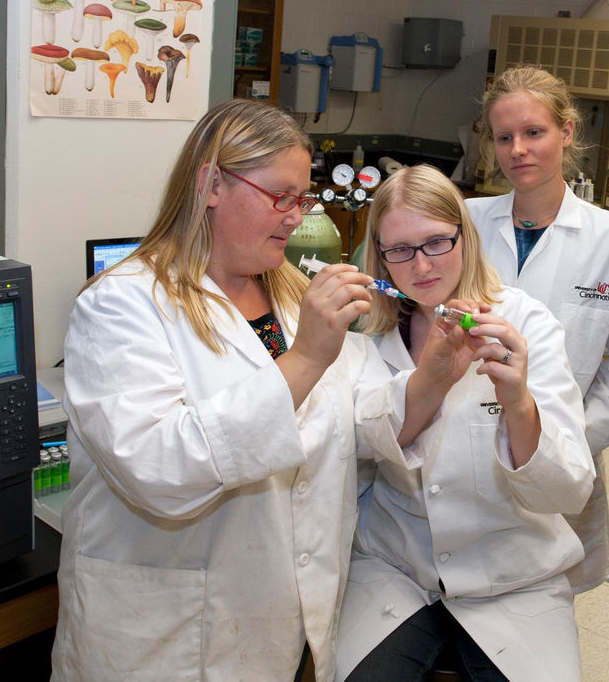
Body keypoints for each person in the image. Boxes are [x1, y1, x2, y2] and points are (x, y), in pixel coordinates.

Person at [49, 100, 384, 682]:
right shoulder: (121, 304)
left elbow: (363, 414)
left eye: (303, 199)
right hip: (162, 641)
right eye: (280, 196)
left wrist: (438, 366)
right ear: (211, 185)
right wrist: (306, 358)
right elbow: (157, 468)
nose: (295, 217)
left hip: (277, 625)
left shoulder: (289, 294)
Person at [336, 164, 594, 682]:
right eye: (399, 250)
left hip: (514, 579)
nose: (421, 265)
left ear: (464, 238)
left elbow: (568, 491)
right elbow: (359, 446)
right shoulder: (364, 339)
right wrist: (428, 383)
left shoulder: (526, 325)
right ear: (379, 256)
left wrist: (518, 402)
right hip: (396, 573)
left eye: (436, 242)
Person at [467, 65, 609, 594]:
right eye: (504, 137)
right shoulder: (465, 223)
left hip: (566, 451)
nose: (518, 150)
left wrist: (568, 441)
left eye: (534, 132)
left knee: (546, 597)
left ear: (567, 131)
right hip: (464, 448)